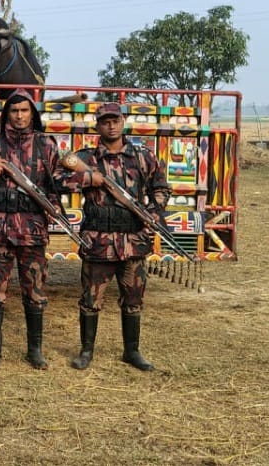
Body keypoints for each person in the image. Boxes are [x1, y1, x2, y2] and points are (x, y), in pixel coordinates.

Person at [61, 102, 169, 372]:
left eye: (115, 120)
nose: (111, 126)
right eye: (105, 121)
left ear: (123, 122)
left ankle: (132, 351)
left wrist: (152, 214)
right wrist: (89, 179)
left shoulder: (143, 157)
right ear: (97, 125)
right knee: (90, 299)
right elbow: (58, 180)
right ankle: (86, 351)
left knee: (133, 299)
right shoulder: (86, 158)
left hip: (133, 240)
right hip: (98, 241)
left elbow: (161, 188)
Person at [0, 89, 65, 370]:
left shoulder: (45, 144)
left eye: (24, 110)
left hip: (32, 231)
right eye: (14, 111)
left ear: (32, 114)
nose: (19, 116)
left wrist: (54, 207)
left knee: (35, 291)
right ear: (6, 115)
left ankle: (34, 350)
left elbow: (55, 184)